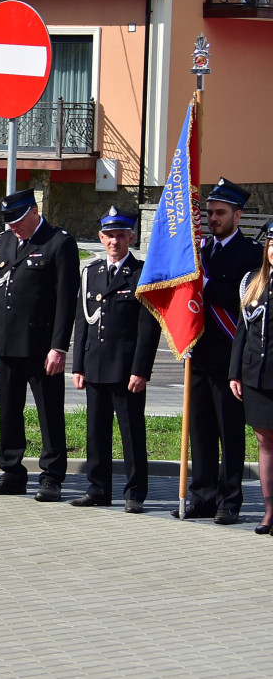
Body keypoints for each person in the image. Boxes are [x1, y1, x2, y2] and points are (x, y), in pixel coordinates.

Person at [0, 188, 79, 502]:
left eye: (19, 220)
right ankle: (11, 472)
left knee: (50, 413)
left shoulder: (59, 242)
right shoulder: (3, 242)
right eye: (9, 221)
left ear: (35, 211)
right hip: (6, 343)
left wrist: (59, 347)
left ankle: (51, 476)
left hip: (41, 346)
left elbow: (66, 300)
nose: (13, 227)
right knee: (9, 412)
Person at [175, 178, 262, 524]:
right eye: (209, 212)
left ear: (237, 215)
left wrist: (205, 282)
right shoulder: (200, 251)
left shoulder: (252, 255)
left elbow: (242, 300)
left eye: (220, 213)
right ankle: (203, 496)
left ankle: (230, 500)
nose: (213, 218)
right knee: (201, 430)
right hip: (198, 352)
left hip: (230, 357)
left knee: (229, 432)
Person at [69, 207, 160, 513]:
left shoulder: (141, 273)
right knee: (96, 432)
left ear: (131, 238)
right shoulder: (90, 272)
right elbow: (83, 321)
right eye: (109, 236)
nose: (114, 242)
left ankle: (135, 493)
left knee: (132, 432)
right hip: (94, 364)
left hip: (126, 369)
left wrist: (141, 370)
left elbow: (148, 328)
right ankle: (98, 489)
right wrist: (78, 365)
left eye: (120, 236)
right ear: (100, 237)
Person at [230, 221, 273, 534]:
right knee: (264, 441)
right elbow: (241, 333)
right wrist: (235, 373)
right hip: (256, 376)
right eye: (272, 244)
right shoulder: (253, 283)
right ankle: (269, 509)